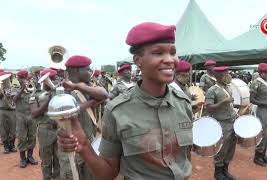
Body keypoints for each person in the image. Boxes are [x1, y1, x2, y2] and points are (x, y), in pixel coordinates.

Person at [57, 22, 193, 180]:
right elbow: (107, 173)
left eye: (173, 52)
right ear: (138, 60)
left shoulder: (183, 102)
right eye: (158, 53)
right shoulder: (117, 111)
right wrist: (85, 147)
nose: (170, 60)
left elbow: (184, 157)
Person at [58, 55, 108, 180]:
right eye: (87, 69)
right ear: (76, 71)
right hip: (71, 145)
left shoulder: (87, 87)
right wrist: (90, 103)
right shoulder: (61, 91)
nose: (90, 72)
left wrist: (76, 86)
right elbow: (65, 113)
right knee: (72, 175)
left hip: (90, 142)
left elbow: (104, 94)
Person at [205, 66, 237, 180]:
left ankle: (225, 170)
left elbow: (229, 104)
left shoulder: (228, 87)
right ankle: (218, 173)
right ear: (217, 76)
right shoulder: (212, 90)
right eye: (224, 74)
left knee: (231, 148)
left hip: (232, 121)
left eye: (228, 73)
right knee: (222, 148)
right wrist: (224, 102)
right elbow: (209, 108)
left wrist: (237, 106)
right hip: (221, 123)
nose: (227, 76)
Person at [30, 69, 60, 180]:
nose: (55, 81)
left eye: (55, 78)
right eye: (51, 79)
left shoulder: (59, 92)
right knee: (46, 161)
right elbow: (34, 114)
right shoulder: (36, 94)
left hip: (59, 130)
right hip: (45, 131)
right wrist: (49, 101)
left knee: (59, 160)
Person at [14, 70, 38, 168]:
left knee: (32, 136)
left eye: (25, 77)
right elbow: (14, 99)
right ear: (18, 79)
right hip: (20, 116)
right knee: (22, 137)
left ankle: (30, 157)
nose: (24, 80)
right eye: (22, 78)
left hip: (31, 115)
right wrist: (21, 89)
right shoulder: (14, 88)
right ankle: (23, 159)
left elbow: (36, 98)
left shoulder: (32, 87)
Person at [0, 71, 17, 154]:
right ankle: (6, 146)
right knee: (3, 130)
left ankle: (12, 145)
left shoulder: (13, 87)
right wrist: (2, 92)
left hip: (12, 111)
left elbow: (15, 98)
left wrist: (10, 93)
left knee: (13, 130)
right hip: (2, 110)